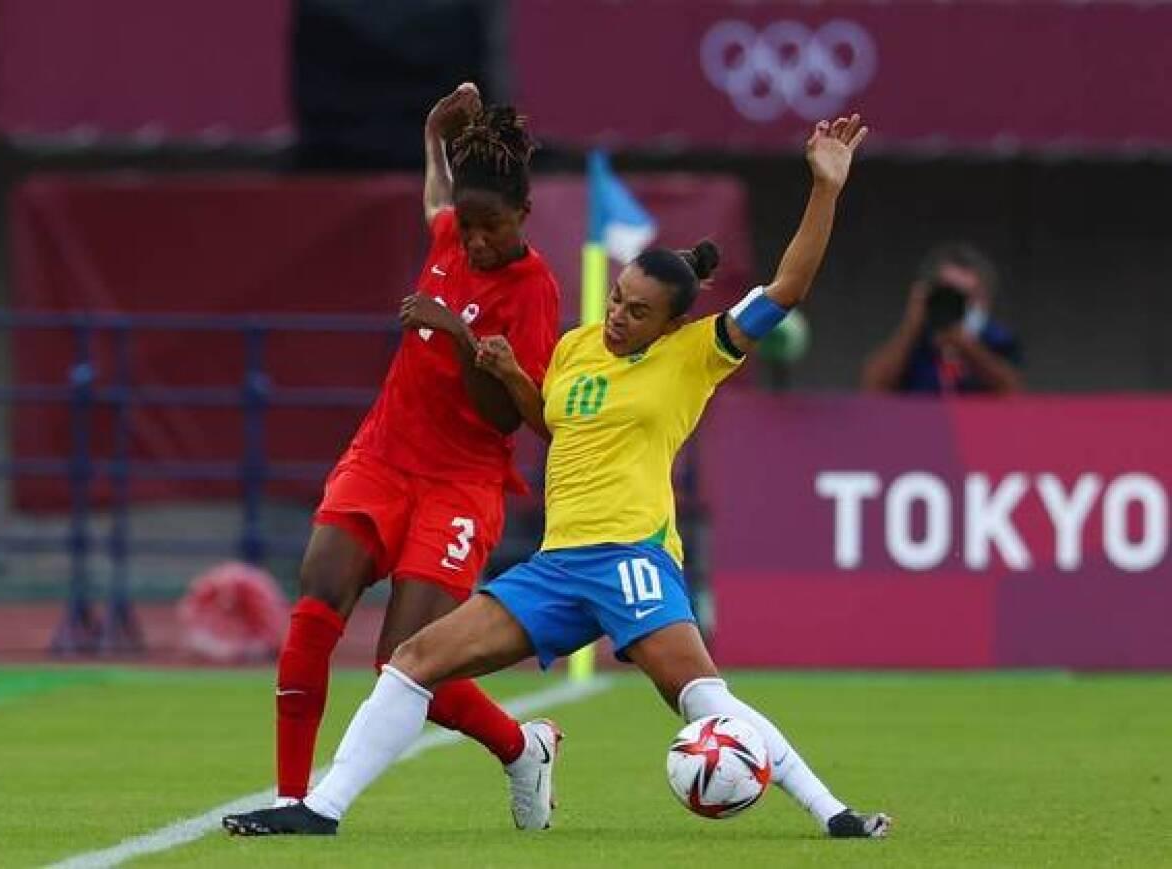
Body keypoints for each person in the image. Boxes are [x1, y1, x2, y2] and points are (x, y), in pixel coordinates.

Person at [223, 114, 890, 839]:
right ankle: (320, 810)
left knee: (701, 696)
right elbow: (552, 425)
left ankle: (835, 813)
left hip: (631, 557)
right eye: (615, 300)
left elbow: (788, 286)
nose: (617, 318)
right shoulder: (576, 347)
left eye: (637, 313)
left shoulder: (698, 353)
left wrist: (825, 187)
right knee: (414, 660)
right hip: (558, 564)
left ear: (670, 324)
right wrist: (512, 376)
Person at [226, 83, 563, 833]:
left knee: (407, 663)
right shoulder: (451, 232)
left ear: (525, 218)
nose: (473, 241)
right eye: (468, 226)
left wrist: (455, 333)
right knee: (315, 603)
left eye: (491, 227)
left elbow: (507, 412)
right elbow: (437, 200)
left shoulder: (534, 289)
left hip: (461, 482)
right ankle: (291, 800)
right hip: (380, 456)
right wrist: (430, 136)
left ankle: (522, 746)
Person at [861, 242, 1023, 394]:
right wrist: (911, 325)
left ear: (985, 300)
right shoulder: (914, 340)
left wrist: (964, 344)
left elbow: (1013, 392)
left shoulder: (997, 339)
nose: (958, 305)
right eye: (950, 295)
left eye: (969, 297)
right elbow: (873, 387)